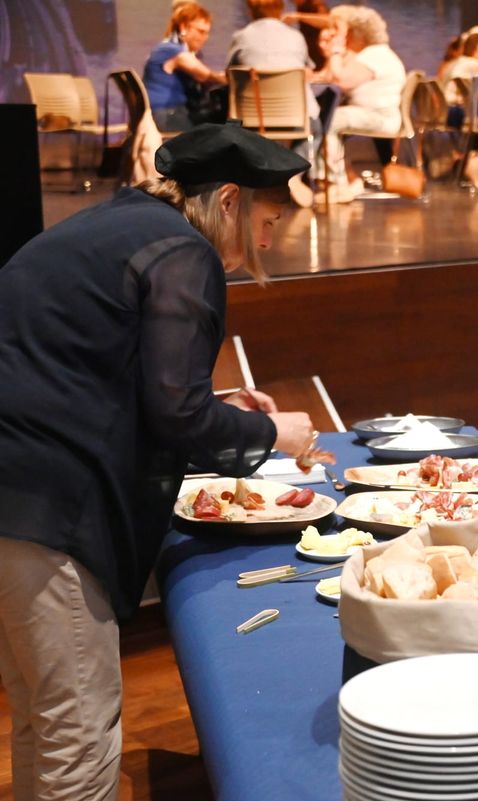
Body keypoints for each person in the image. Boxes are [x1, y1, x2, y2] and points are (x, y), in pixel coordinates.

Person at [0, 123, 327, 801]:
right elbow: (178, 415)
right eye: (267, 220)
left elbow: (119, 373)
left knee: (42, 714)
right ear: (229, 200)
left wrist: (226, 403)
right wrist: (271, 430)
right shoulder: (184, 252)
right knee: (80, 732)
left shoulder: (125, 221)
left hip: (15, 492)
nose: (268, 241)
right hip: (48, 502)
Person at [227, 0, 319, 208]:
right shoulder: (296, 37)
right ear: (281, 9)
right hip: (294, 115)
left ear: (250, 10)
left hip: (251, 116)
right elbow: (307, 71)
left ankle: (252, 178)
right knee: (316, 126)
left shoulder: (241, 37)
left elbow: (230, 73)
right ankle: (294, 171)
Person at [320, 4, 406, 202]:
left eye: (346, 35)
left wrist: (336, 50)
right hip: (372, 115)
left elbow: (341, 80)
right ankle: (345, 180)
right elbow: (334, 75)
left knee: (330, 120)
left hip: (381, 118)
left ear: (357, 35)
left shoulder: (375, 55)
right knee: (330, 119)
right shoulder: (372, 54)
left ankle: (335, 183)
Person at [143, 1, 227, 132]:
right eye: (200, 31)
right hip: (167, 116)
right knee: (223, 125)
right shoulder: (171, 50)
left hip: (169, 113)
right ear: (183, 27)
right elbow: (206, 75)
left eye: (207, 33)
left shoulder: (171, 48)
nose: (204, 38)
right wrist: (233, 80)